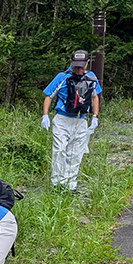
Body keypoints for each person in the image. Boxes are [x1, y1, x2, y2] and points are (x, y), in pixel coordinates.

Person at [41, 48, 102, 193]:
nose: (79, 68)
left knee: (76, 153)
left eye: (82, 65)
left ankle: (70, 184)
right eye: (76, 65)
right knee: (60, 150)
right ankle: (57, 183)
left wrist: (95, 116)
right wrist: (45, 115)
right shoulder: (62, 77)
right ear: (71, 63)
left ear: (87, 63)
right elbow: (49, 95)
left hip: (80, 120)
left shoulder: (91, 78)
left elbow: (94, 97)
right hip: (62, 119)